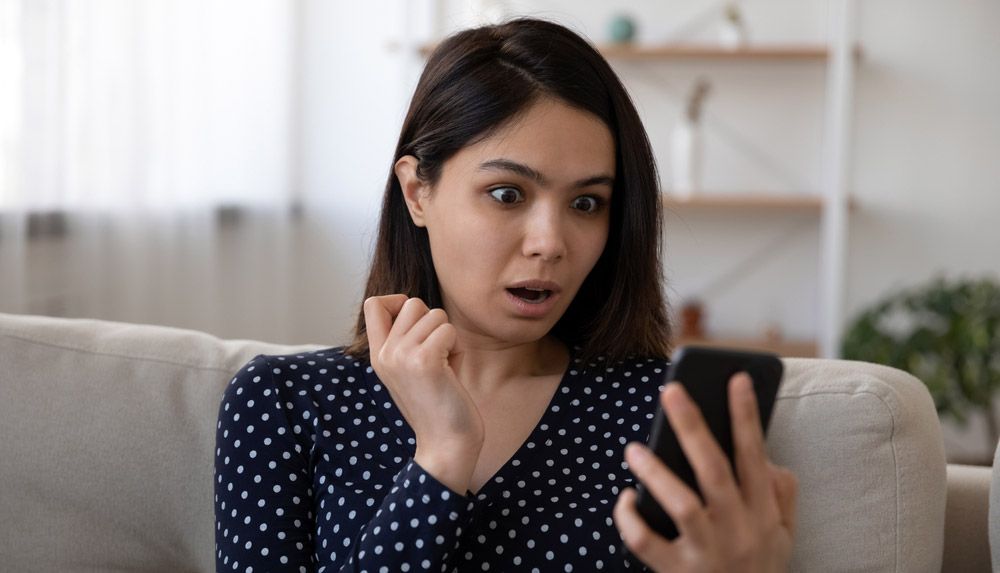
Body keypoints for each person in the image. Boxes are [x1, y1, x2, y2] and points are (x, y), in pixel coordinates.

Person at [214, 17, 797, 572]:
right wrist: (442, 456)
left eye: (586, 203)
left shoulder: (664, 412)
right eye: (507, 194)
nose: (550, 243)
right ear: (418, 192)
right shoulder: (285, 403)